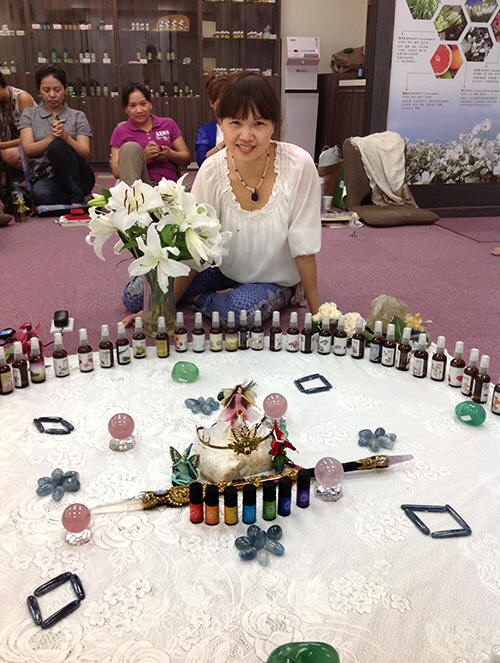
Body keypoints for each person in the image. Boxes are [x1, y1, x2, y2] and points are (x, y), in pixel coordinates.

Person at [123, 71, 321, 324]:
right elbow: (196, 245)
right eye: (236, 122)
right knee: (138, 294)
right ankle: (199, 298)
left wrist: (318, 313)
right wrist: (160, 308)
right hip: (223, 266)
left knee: (238, 312)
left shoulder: (298, 165)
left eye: (259, 124)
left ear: (274, 125)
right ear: (221, 123)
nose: (246, 136)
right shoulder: (212, 170)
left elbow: (304, 244)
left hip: (273, 278)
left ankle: (198, 300)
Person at [19, 65, 95, 206]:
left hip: (79, 176)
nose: (52, 95)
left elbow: (85, 153)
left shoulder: (78, 116)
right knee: (41, 195)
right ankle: (77, 197)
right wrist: (51, 138)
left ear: (65, 89)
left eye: (57, 89)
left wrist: (66, 137)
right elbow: (28, 149)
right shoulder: (29, 114)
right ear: (39, 90)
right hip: (47, 177)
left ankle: (77, 198)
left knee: (58, 146)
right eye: (46, 90)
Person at [110, 84, 190, 186]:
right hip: (140, 187)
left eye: (143, 104)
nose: (139, 110)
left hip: (168, 187)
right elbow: (116, 172)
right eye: (133, 106)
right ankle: (134, 196)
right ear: (126, 109)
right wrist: (143, 157)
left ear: (150, 104)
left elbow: (187, 158)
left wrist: (170, 154)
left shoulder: (168, 124)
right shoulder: (120, 131)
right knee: (131, 147)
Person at [0, 74, 35, 220]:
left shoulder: (22, 98)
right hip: (9, 146)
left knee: (7, 154)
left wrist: (2, 145)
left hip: (33, 146)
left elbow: (29, 137)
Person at [195, 73, 229, 166]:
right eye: (221, 102)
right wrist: (224, 143)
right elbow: (201, 160)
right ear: (211, 103)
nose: (226, 105)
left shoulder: (242, 127)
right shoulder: (205, 130)